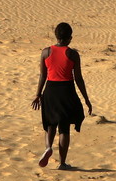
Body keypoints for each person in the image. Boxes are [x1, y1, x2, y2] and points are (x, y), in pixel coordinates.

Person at [31, 22, 93, 170]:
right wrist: (86, 99)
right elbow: (78, 78)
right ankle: (62, 163)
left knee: (50, 123)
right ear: (70, 38)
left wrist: (38, 94)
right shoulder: (72, 54)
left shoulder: (46, 52)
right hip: (67, 91)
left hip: (50, 90)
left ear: (56, 36)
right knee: (64, 128)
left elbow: (42, 76)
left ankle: (48, 147)